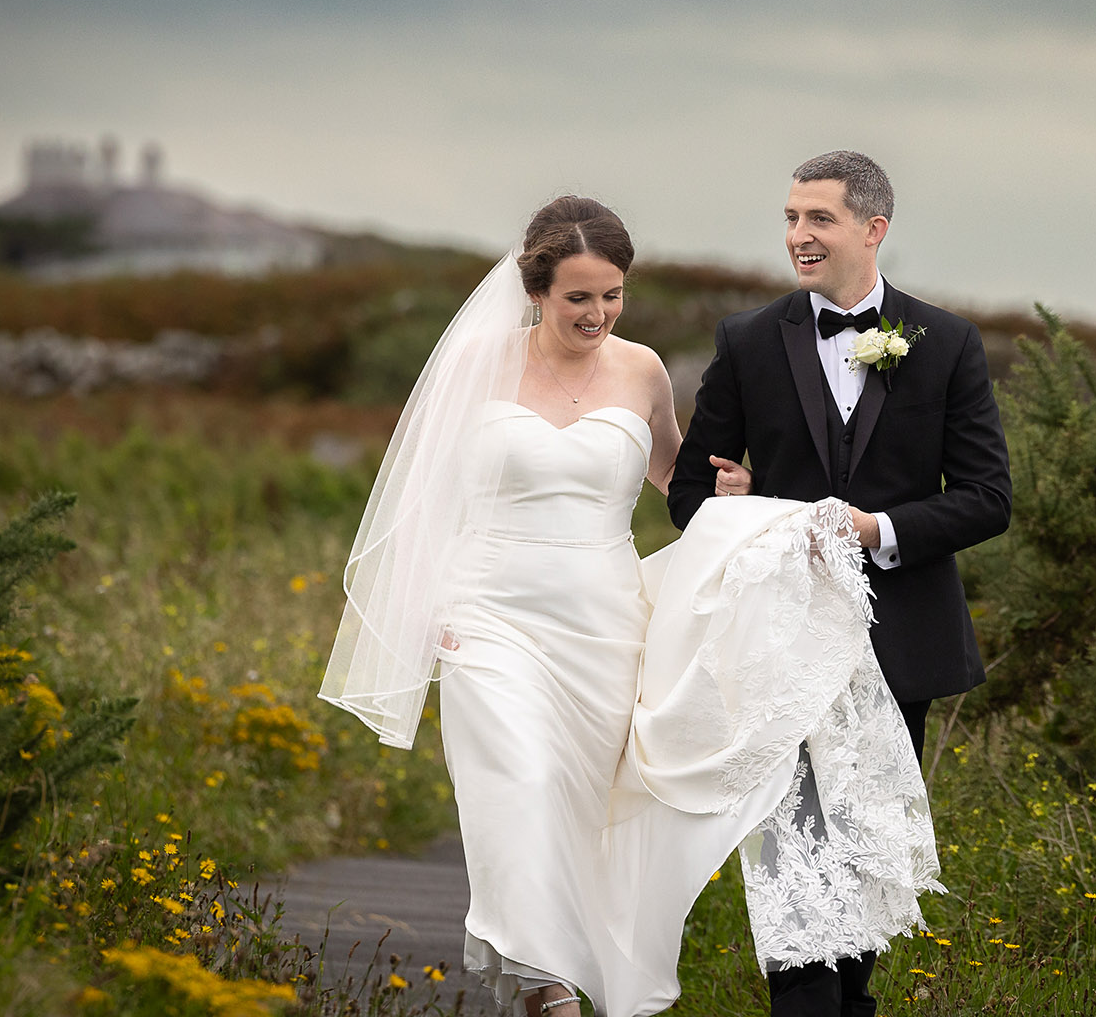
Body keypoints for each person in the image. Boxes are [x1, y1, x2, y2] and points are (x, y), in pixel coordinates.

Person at [320, 196, 939, 1017]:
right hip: (490, 613)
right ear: (535, 290)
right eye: (579, 297)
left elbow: (676, 478)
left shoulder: (641, 369)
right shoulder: (477, 366)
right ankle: (545, 983)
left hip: (606, 620)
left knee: (594, 807)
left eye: (612, 295)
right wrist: (429, 603)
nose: (598, 314)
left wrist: (736, 498)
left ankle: (588, 964)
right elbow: (423, 499)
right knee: (520, 782)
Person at [670, 150, 1013, 1017]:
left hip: (900, 643)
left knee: (867, 855)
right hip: (779, 646)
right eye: (789, 218)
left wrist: (880, 532)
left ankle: (845, 1004)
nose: (797, 237)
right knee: (791, 857)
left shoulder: (947, 343)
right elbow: (687, 496)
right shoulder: (749, 340)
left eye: (816, 219)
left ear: (873, 228)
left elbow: (986, 498)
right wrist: (740, 508)